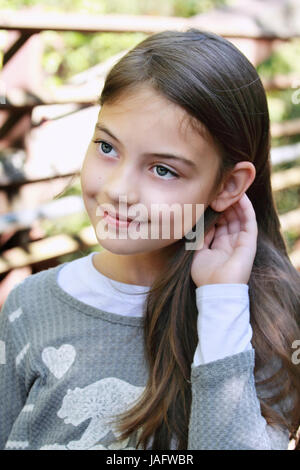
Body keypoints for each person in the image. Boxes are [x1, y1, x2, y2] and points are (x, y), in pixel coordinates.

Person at [0, 28, 299, 451]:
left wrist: (221, 300)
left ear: (228, 185)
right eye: (106, 147)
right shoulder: (29, 307)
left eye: (163, 170)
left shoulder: (267, 324)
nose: (118, 189)